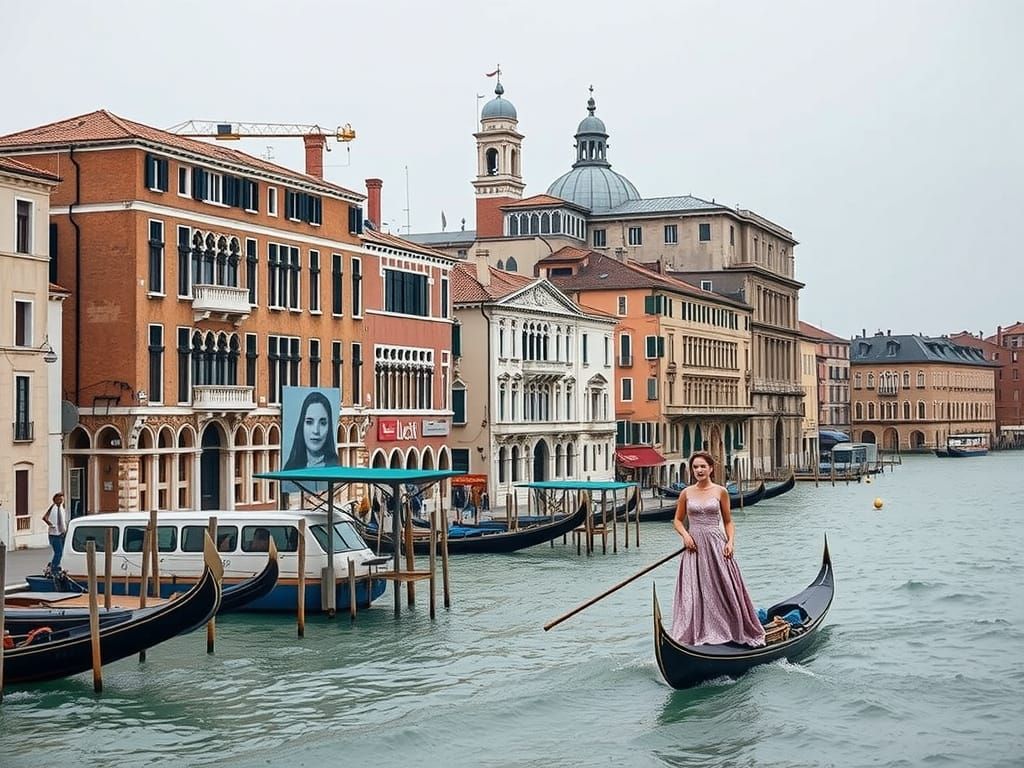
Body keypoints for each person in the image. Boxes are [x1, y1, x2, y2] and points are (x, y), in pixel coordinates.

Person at [671, 451, 764, 647]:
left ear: (711, 468)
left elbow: (729, 522)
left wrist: (730, 542)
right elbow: (678, 521)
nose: (699, 470)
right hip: (694, 548)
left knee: (724, 589)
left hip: (716, 545)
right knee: (694, 591)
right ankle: (695, 632)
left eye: (702, 466)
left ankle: (730, 628)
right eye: (695, 467)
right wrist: (686, 535)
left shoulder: (720, 491)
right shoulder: (686, 493)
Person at [284, 390, 339, 471]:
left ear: (329, 428)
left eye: (323, 423)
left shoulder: (335, 469)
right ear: (301, 425)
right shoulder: (290, 469)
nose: (316, 431)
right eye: (309, 422)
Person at [42, 491, 68, 574]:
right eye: (59, 499)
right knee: (58, 552)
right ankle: (53, 568)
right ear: (55, 500)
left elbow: (63, 520)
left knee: (61, 552)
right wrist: (50, 524)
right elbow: (45, 517)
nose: (61, 501)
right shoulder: (52, 507)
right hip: (54, 534)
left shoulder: (61, 508)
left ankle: (55, 565)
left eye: (62, 499)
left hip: (62, 533)